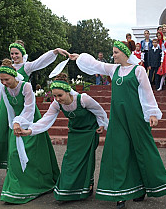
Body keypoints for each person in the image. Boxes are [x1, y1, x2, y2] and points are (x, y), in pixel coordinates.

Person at [69, 41, 166, 209]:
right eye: (113, 52)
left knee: (141, 149)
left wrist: (152, 113)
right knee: (118, 152)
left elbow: (147, 92)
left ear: (125, 53)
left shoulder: (138, 70)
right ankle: (120, 194)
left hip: (136, 117)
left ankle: (143, 187)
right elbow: (96, 64)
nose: (114, 55)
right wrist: (79, 57)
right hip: (118, 118)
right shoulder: (113, 69)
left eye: (116, 52)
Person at [0, 59, 60, 204]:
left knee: (35, 153)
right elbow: (10, 111)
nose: (4, 83)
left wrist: (20, 122)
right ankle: (15, 190)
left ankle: (39, 183)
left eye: (6, 79)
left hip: (31, 121)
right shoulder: (6, 90)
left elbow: (29, 109)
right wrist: (14, 124)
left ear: (14, 76)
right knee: (13, 153)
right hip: (15, 124)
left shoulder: (26, 86)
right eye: (1, 80)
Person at [17, 73, 109, 201]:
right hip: (74, 133)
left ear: (68, 92)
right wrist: (29, 131)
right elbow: (46, 119)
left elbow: (99, 111)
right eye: (54, 96)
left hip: (89, 132)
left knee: (86, 161)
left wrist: (101, 124)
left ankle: (86, 187)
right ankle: (66, 191)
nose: (57, 98)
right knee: (69, 161)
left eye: (60, 95)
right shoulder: (56, 104)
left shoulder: (83, 99)